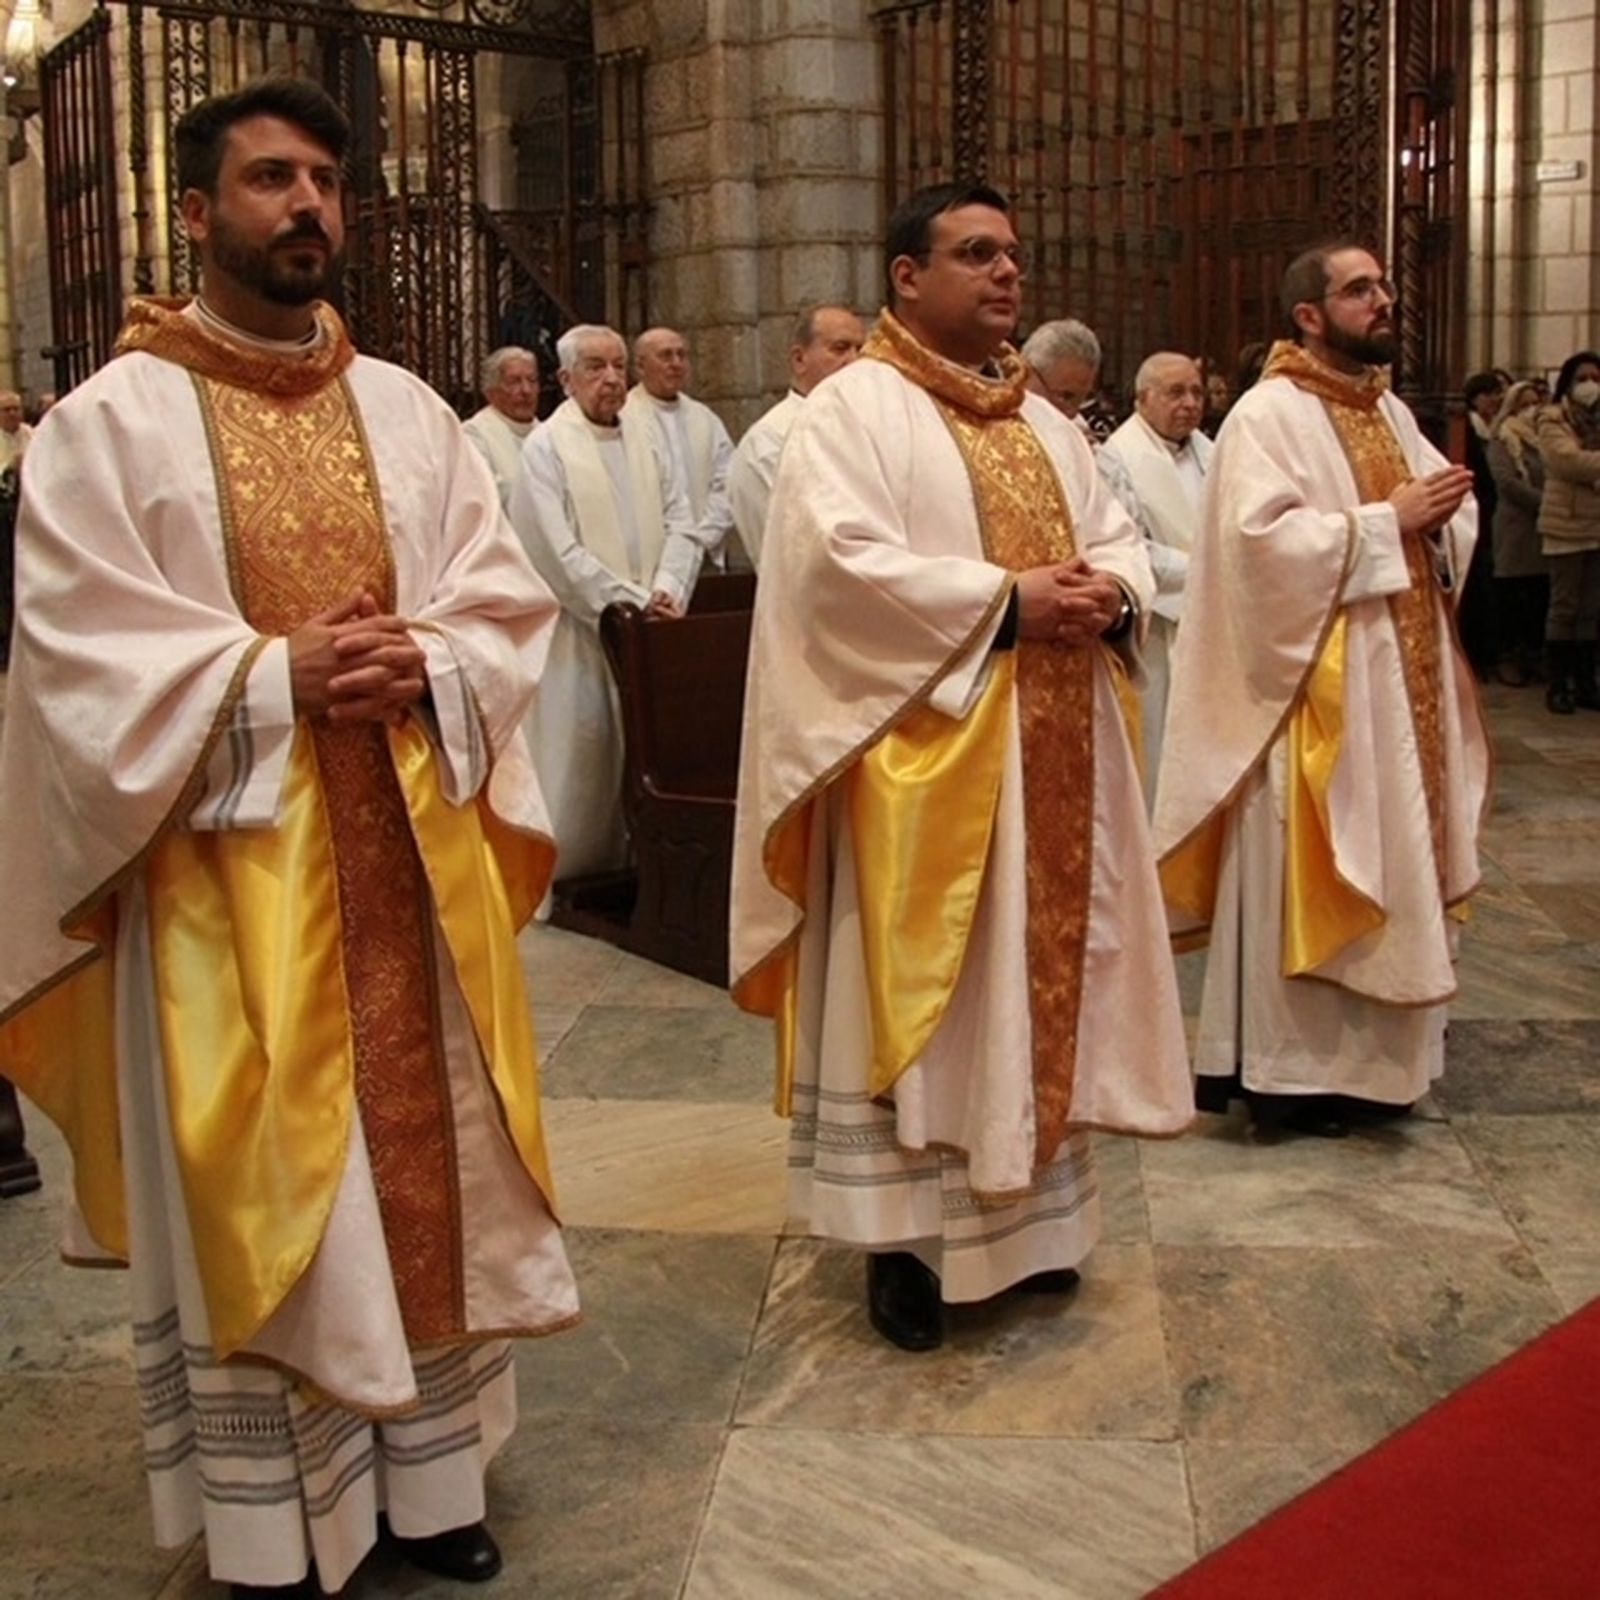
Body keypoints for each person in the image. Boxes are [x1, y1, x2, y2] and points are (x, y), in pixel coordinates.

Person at [0, 79, 579, 1598]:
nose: (307, 204)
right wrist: (275, 675)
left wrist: (431, 660)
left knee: (429, 1161)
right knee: (278, 1189)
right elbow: (75, 657)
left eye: (324, 178)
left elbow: (501, 597)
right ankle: (277, 1528)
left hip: (409, 866)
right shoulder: (103, 425)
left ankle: (433, 1479)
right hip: (222, 884)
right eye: (269, 179)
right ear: (197, 214)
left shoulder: (406, 412)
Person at [731, 181, 1192, 1354]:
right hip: (925, 772)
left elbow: (1119, 531)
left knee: (1042, 992)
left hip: (1056, 759)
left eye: (1013, 256)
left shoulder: (1042, 422)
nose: (1004, 275)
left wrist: (1111, 590)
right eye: (975, 253)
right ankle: (907, 1244)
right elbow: (833, 570)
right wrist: (1003, 604)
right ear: (904, 277)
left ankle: (1034, 1232)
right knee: (934, 1009)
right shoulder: (857, 409)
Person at [1154, 240, 1489, 1140]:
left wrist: (1445, 516)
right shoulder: (1271, 414)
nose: (1383, 300)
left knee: (1398, 860)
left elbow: (1438, 514)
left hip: (1398, 689)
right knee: (1319, 871)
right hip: (1317, 702)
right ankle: (1291, 1078)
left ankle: (1381, 1070)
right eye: (1359, 289)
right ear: (1308, 314)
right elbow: (1255, 551)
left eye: (1382, 286)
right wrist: (1389, 522)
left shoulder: (1385, 411)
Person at [510, 323, 705, 882]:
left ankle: (648, 857)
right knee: (587, 750)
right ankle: (578, 867)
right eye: (596, 367)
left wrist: (668, 590)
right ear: (566, 379)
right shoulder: (546, 448)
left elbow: (682, 521)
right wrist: (634, 605)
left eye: (619, 365)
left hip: (652, 625)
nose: (612, 378)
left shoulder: (647, 437)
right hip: (583, 632)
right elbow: (555, 551)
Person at [1100, 352, 1213, 797]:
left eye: (1196, 392)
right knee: (1159, 753)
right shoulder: (1116, 458)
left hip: (1214, 624)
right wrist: (1206, 573)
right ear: (1143, 398)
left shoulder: (1214, 451)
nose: (1189, 403)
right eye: (1175, 392)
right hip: (1158, 633)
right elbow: (1127, 547)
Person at [728, 303, 865, 567]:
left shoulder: (866, 427)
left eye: (861, 350)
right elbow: (795, 551)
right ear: (799, 359)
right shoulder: (768, 443)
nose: (855, 361)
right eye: (840, 348)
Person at [622, 326, 736, 567]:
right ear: (640, 366)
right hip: (652, 559)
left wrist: (703, 537)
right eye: (665, 356)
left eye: (682, 355)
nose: (676, 363)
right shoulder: (623, 418)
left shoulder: (704, 418)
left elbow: (727, 482)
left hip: (705, 552)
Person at [1534, 350, 1600, 714]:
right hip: (1566, 523)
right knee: (1565, 607)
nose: (1590, 385)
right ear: (1569, 383)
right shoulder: (1553, 417)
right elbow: (1566, 461)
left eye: (1596, 378)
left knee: (1591, 609)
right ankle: (1558, 686)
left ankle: (1586, 683)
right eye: (1583, 378)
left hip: (1597, 523)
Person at [1485, 380, 1548, 687]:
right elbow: (1507, 483)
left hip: (1543, 528)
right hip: (1515, 527)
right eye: (1524, 404)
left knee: (1537, 595)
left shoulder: (1543, 440)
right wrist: (1547, 503)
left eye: (1535, 402)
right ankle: (1506, 658)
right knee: (1511, 596)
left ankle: (1532, 655)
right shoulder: (1502, 438)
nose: (1531, 410)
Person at [1459, 370, 1507, 680]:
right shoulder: (1463, 425)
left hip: (1486, 512)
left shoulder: (1494, 429)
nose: (1495, 400)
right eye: (1490, 394)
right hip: (1474, 509)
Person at [462, 344, 540, 509]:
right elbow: (485, 493)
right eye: (514, 382)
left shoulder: (547, 433)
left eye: (532, 380)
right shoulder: (474, 434)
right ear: (490, 392)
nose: (526, 390)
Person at [0, 389, 32, 473]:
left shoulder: (32, 434)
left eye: (16, 409)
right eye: (6, 410)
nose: (12, 413)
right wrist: (11, 466)